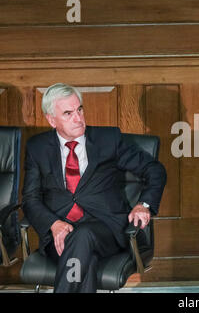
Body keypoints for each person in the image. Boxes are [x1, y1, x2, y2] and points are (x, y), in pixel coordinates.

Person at [22, 83, 167, 293]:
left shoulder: (108, 139)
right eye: (68, 113)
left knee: (82, 236)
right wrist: (53, 224)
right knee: (84, 260)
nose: (78, 118)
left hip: (106, 228)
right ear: (51, 120)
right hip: (59, 234)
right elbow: (30, 199)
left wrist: (143, 204)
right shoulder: (38, 147)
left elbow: (154, 170)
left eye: (79, 109)